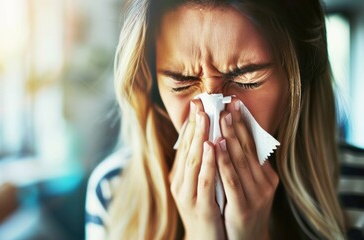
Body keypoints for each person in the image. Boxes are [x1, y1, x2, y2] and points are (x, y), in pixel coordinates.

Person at [85, 0, 361, 239]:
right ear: (152, 87)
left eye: (246, 78)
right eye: (181, 82)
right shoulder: (113, 191)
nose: (212, 109)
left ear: (297, 77)